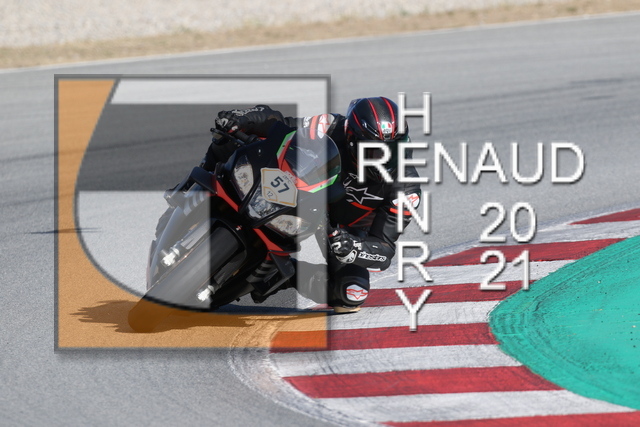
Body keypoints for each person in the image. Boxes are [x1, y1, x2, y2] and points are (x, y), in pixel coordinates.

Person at [204, 97, 422, 313]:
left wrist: (354, 247)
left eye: (393, 149)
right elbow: (279, 123)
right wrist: (243, 118)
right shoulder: (331, 126)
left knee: (351, 293)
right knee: (229, 137)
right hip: (302, 191)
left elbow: (384, 249)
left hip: (339, 230)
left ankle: (280, 275)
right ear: (352, 139)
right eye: (374, 151)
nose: (385, 159)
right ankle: (196, 189)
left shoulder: (407, 189)